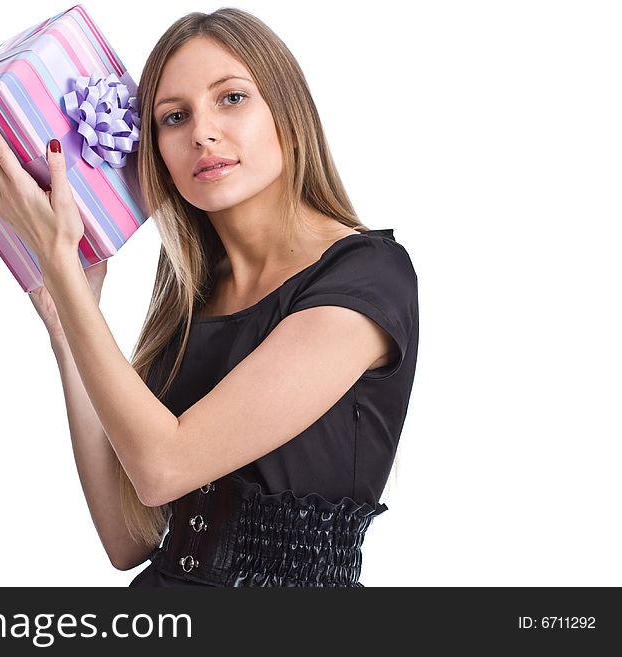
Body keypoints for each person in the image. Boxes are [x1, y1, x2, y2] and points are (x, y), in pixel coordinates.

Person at [29, 8, 419, 587]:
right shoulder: (192, 294)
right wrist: (69, 324)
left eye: (231, 98)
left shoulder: (366, 278)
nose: (202, 132)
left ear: (287, 111)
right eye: (173, 117)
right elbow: (125, 537)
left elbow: (164, 465)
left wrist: (62, 263)